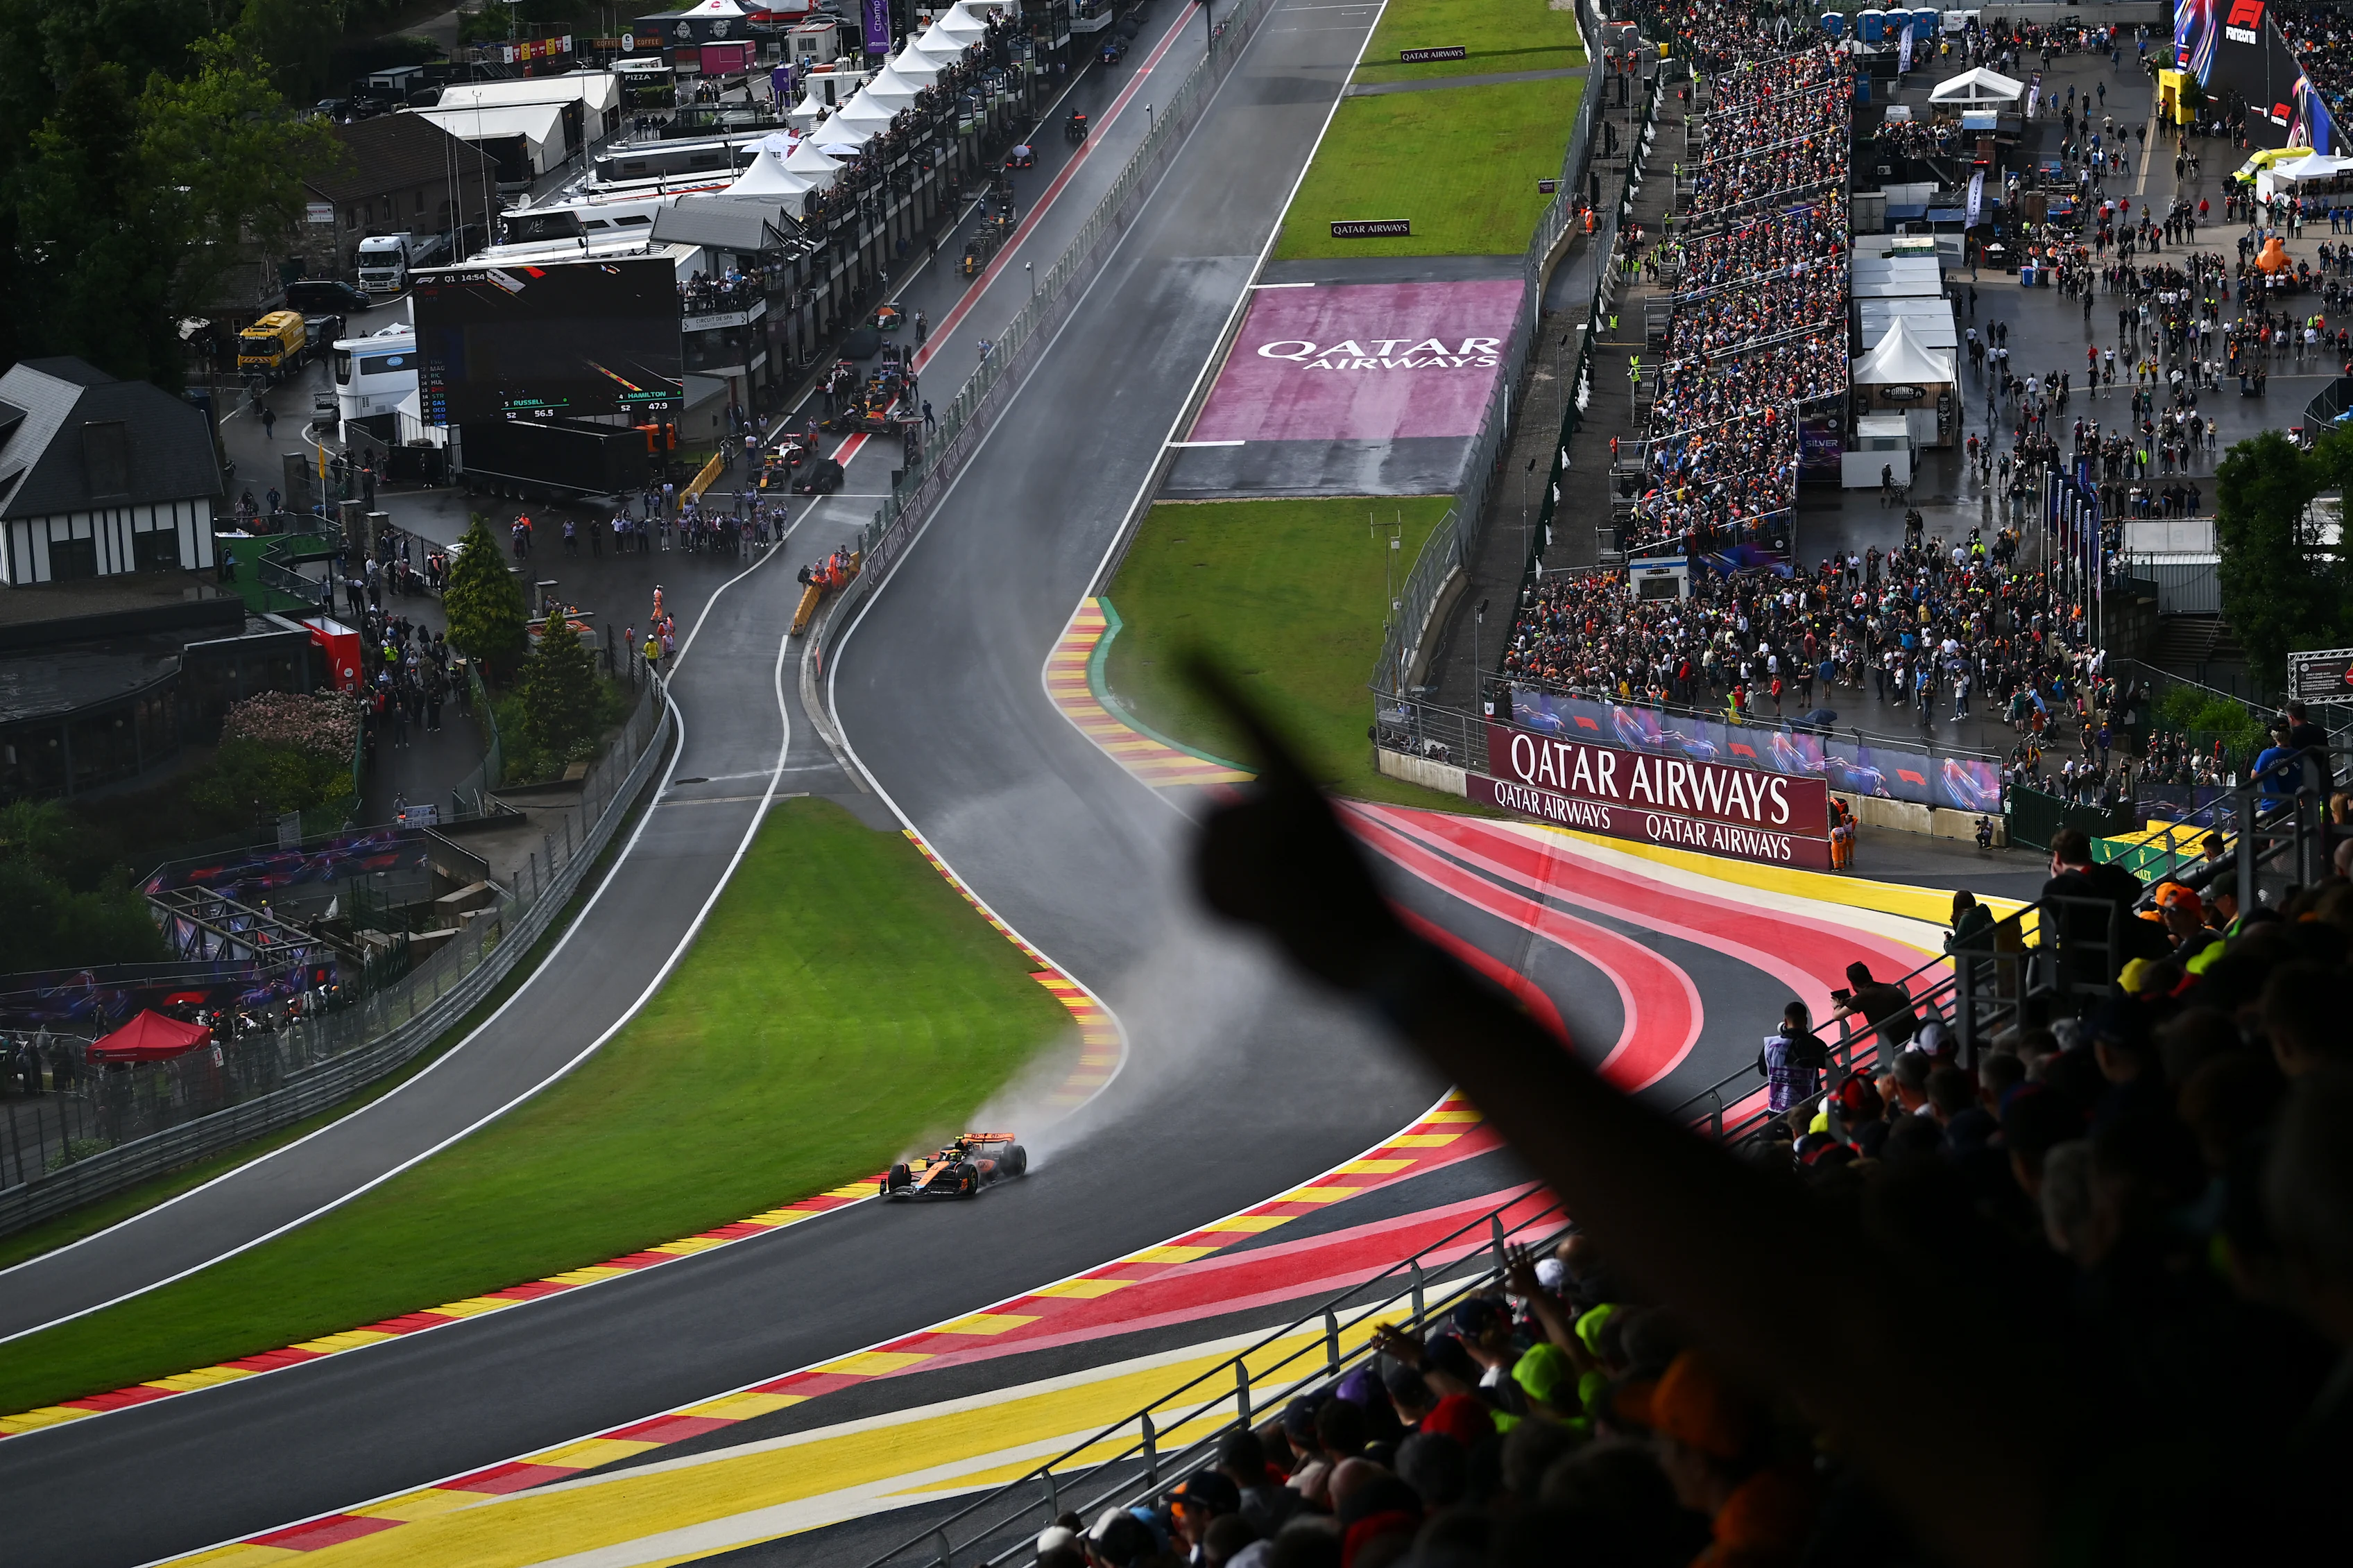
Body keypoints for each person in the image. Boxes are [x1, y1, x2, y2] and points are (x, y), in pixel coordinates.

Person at [1756, 1001, 1829, 1114]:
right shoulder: (1816, 1044)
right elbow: (1827, 1064)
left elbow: (1763, 1071)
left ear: (1785, 1021)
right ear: (1806, 1021)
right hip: (1807, 1110)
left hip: (1776, 1111)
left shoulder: (1770, 1045)